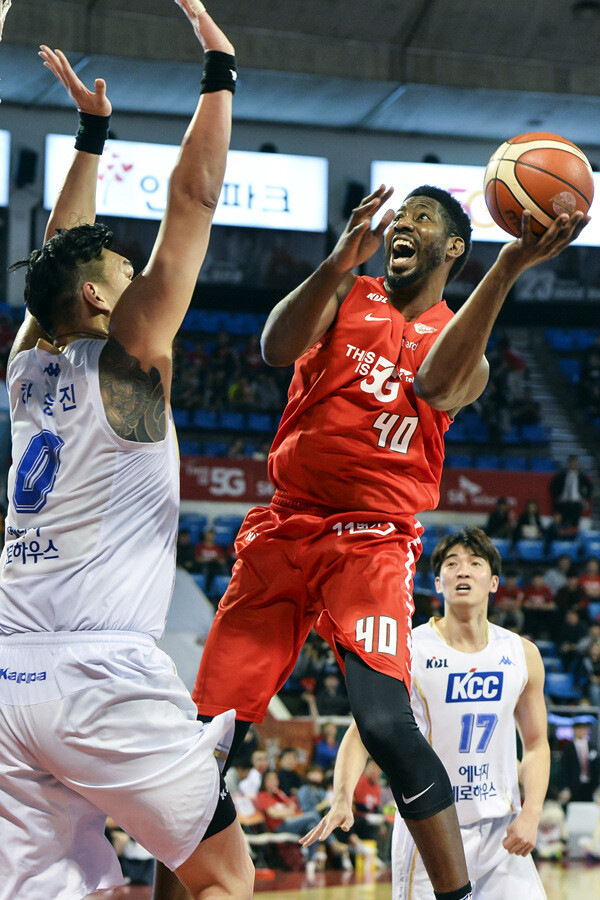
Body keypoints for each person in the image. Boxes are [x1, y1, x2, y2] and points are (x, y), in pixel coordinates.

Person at [165, 179, 587, 900]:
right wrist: (336, 260)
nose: (402, 225)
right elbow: (273, 345)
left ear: (452, 248)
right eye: (401, 216)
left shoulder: (467, 349)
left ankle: (455, 897)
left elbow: (438, 384)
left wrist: (509, 265)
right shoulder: (346, 292)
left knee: (386, 724)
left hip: (371, 540)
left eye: (421, 217)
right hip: (285, 525)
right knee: (208, 734)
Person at [0, 5, 254, 900]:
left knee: (71, 888)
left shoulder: (27, 365)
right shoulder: (130, 361)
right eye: (123, 270)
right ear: (103, 304)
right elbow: (195, 200)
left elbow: (57, 259)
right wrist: (219, 72)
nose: (136, 270)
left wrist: (92, 134)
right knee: (223, 875)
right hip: (100, 676)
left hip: (10, 679)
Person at [302, 527, 549, 899]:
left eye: (475, 563)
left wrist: (531, 814)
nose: (463, 571)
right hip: (430, 830)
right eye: (452, 564)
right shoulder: (408, 649)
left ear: (494, 582)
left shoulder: (521, 653)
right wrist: (341, 797)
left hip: (502, 832)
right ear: (437, 583)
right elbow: (361, 732)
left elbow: (536, 745)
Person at [560, 720, 600, 803]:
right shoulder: (568, 748)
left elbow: (596, 766)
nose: (581, 731)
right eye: (578, 729)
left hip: (590, 784)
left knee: (589, 805)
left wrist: (597, 784)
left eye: (583, 729)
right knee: (575, 804)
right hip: (574, 784)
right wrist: (566, 786)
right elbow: (565, 768)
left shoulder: (592, 746)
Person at [549, 455, 593, 530]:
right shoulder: (562, 475)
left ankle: (573, 536)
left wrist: (585, 498)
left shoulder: (581, 475)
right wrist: (556, 497)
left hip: (576, 503)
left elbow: (590, 487)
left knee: (574, 525)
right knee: (561, 524)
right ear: (569, 463)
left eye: (575, 462)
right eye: (572, 462)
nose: (574, 464)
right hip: (563, 503)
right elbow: (552, 486)